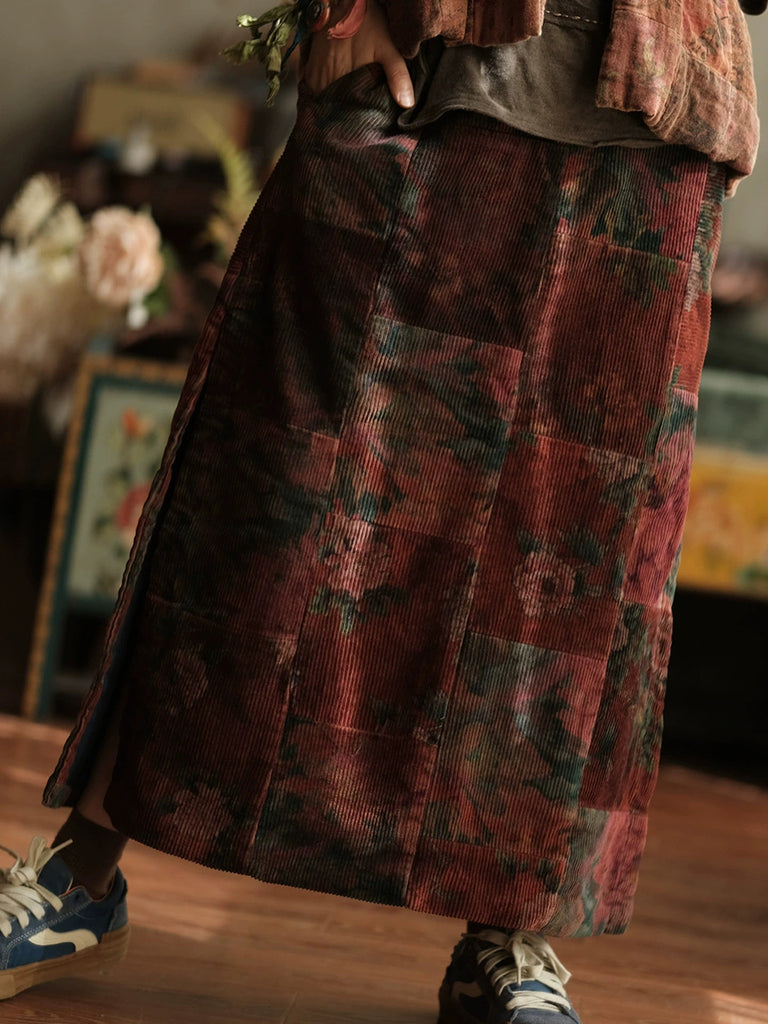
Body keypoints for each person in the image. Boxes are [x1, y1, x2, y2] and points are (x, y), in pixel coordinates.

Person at [0, 0, 760, 1019]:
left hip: (652, 114)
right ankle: (78, 877)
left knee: (570, 562)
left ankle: (510, 939)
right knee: (266, 498)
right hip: (430, 65)